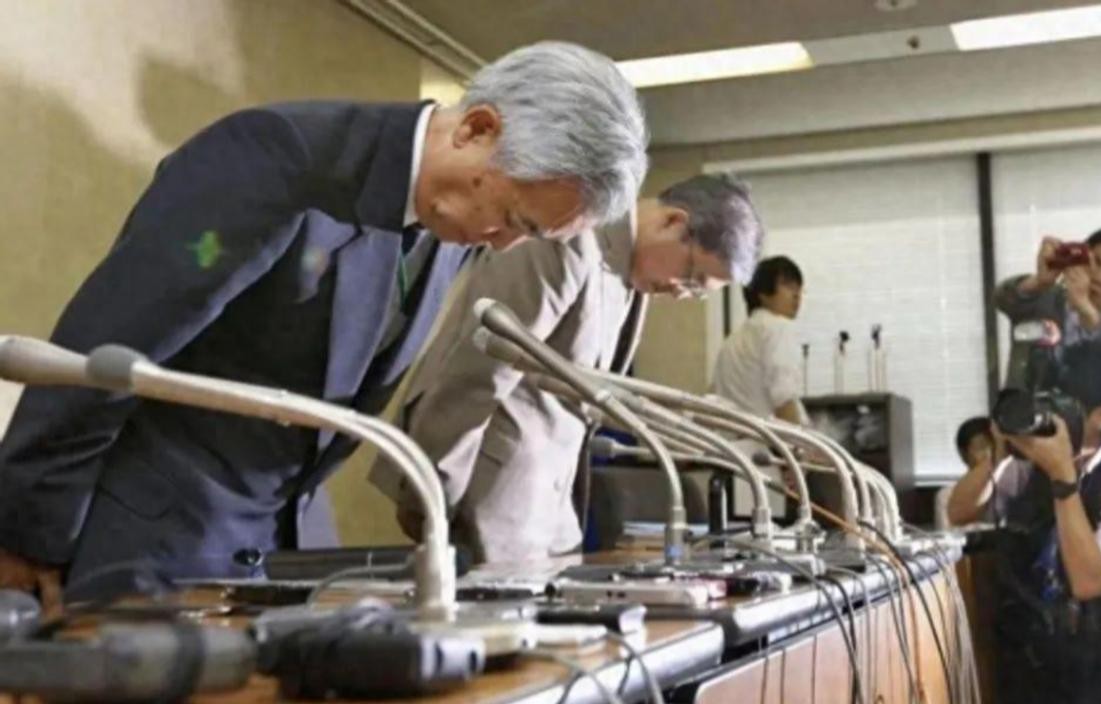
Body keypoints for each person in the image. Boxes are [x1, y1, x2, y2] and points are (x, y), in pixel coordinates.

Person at [0, 41, 648, 604]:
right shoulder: (275, 158)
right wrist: (25, 533)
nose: (505, 244)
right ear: (477, 129)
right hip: (149, 537)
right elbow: (107, 346)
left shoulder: (454, 224)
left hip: (281, 546)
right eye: (513, 219)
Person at [380, 174, 764, 564]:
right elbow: (476, 372)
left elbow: (586, 392)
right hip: (489, 497)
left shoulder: (628, 273)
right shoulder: (569, 235)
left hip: (550, 512)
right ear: (673, 222)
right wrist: (431, 492)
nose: (682, 293)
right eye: (692, 277)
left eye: (697, 293)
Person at [946, 387, 1101, 703]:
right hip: (1043, 654)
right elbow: (959, 512)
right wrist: (999, 454)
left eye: (1061, 406)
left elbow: (1090, 581)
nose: (1049, 418)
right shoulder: (1029, 468)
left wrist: (1062, 475)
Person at [996, 227, 1101, 393]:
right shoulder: (1044, 299)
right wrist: (1038, 282)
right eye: (1095, 262)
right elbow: (1002, 298)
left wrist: (1086, 310)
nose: (1099, 277)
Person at [711, 256, 809, 426]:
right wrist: (800, 441)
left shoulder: (731, 342)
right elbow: (784, 399)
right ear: (763, 293)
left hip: (731, 438)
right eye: (788, 286)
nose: (796, 295)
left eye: (799, 289)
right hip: (767, 438)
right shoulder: (778, 327)